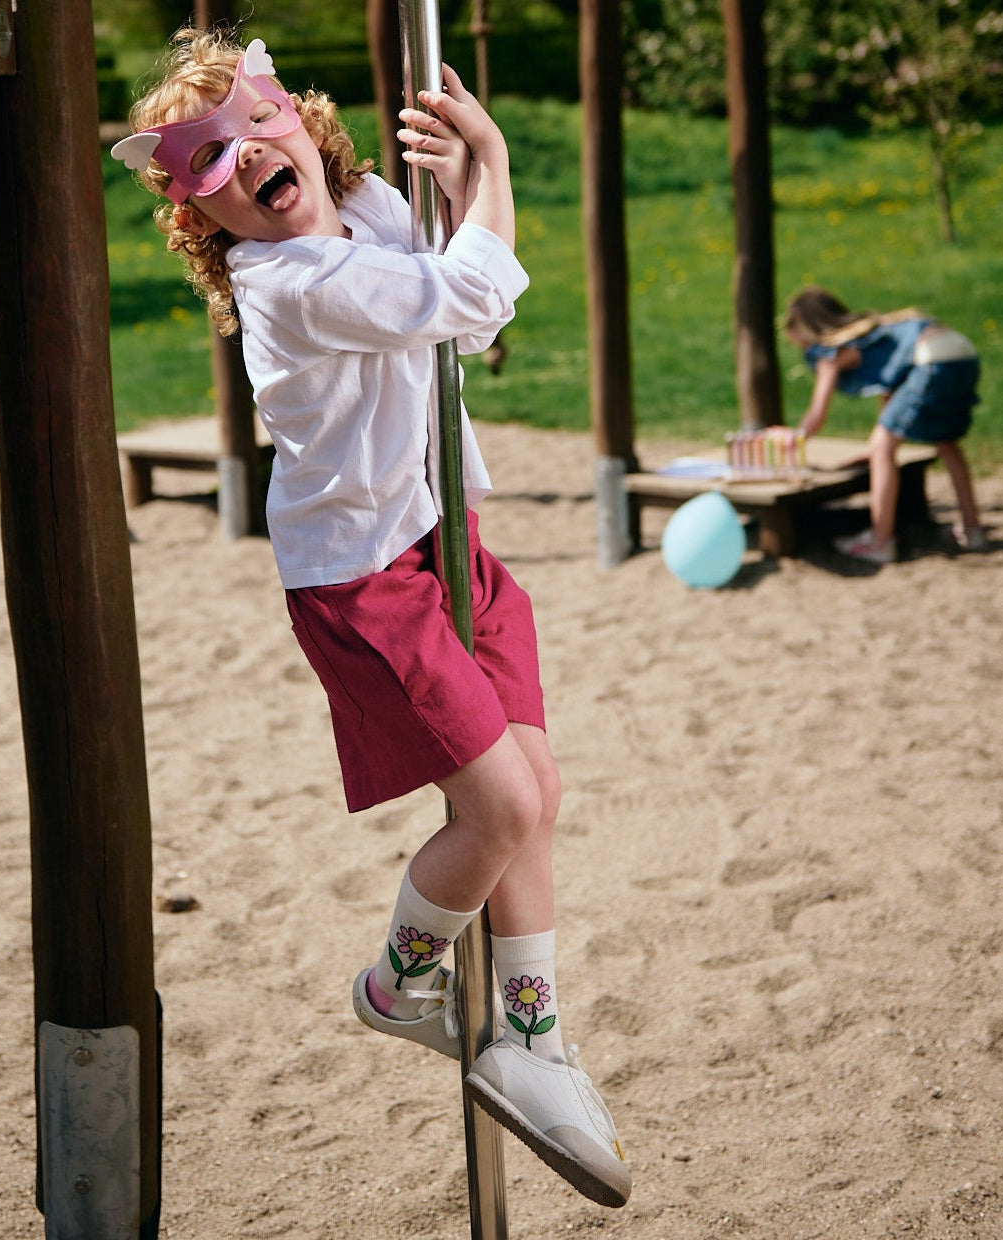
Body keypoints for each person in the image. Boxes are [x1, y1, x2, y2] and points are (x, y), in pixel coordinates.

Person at [114, 27, 631, 1208]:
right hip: (364, 575)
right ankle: (399, 984)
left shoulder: (370, 216)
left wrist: (448, 199)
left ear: (299, 117)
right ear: (204, 225)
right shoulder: (289, 282)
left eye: (256, 128)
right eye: (209, 169)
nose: (245, 161)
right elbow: (471, 293)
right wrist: (490, 166)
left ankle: (535, 1038)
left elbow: (474, 327)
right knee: (495, 803)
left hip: (452, 527)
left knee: (538, 793)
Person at [783, 286, 984, 565]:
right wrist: (876, 445)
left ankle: (880, 540)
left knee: (883, 449)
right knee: (946, 442)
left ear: (807, 326)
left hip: (931, 358)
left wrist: (794, 439)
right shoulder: (875, 332)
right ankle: (973, 530)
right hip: (961, 353)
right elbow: (891, 391)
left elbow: (818, 414)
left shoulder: (831, 351)